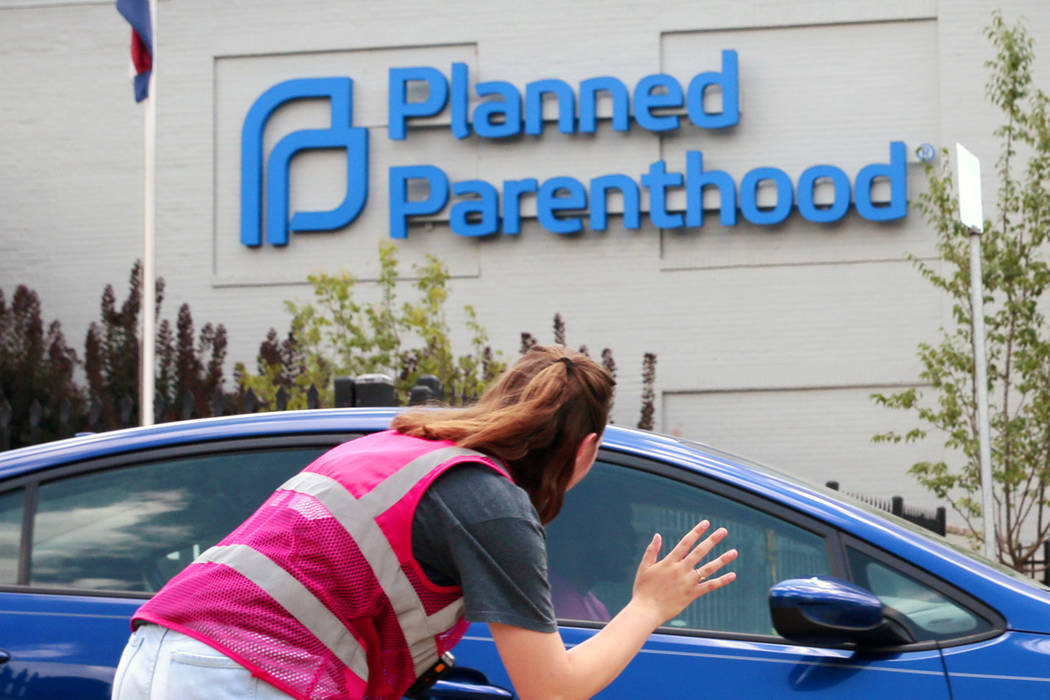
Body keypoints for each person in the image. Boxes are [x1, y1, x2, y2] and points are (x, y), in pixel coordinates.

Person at [111, 345, 738, 700]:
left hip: (152, 657)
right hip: (241, 676)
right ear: (587, 449)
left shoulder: (395, 445)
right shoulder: (491, 503)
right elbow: (551, 689)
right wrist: (650, 606)